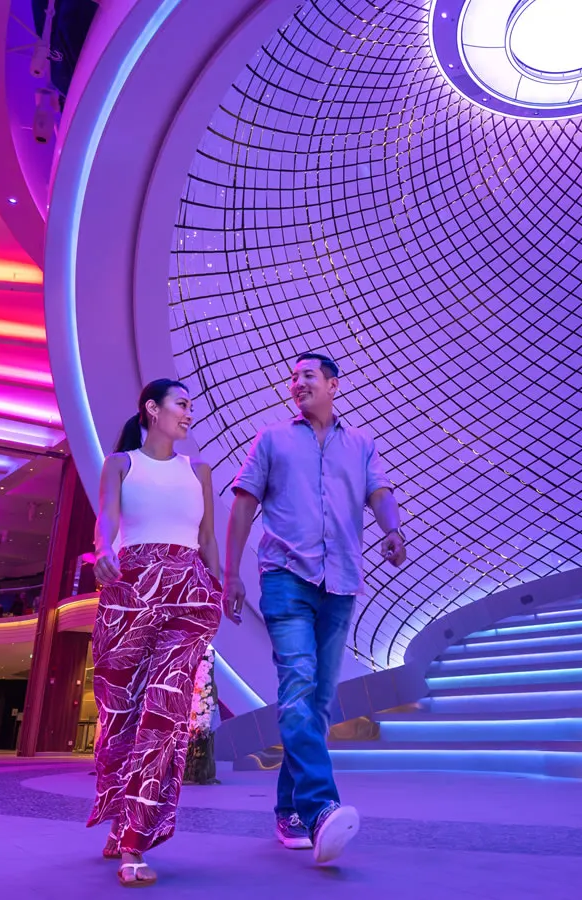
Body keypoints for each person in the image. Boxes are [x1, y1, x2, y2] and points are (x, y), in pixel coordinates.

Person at [225, 352, 407, 865]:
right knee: (298, 687)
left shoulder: (361, 445)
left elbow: (380, 492)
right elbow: (242, 503)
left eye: (308, 376)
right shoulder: (272, 440)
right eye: (293, 377)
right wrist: (231, 573)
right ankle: (323, 806)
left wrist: (392, 529)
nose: (297, 383)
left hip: (342, 582)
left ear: (332, 385)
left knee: (318, 703)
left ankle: (287, 809)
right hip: (285, 578)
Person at [85, 378, 228, 889]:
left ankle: (134, 842)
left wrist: (223, 585)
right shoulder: (121, 464)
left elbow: (208, 537)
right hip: (129, 594)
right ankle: (118, 811)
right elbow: (107, 520)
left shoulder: (201, 472)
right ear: (152, 408)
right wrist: (104, 552)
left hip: (189, 597)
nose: (190, 414)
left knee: (165, 717)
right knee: (120, 718)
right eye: (182, 404)